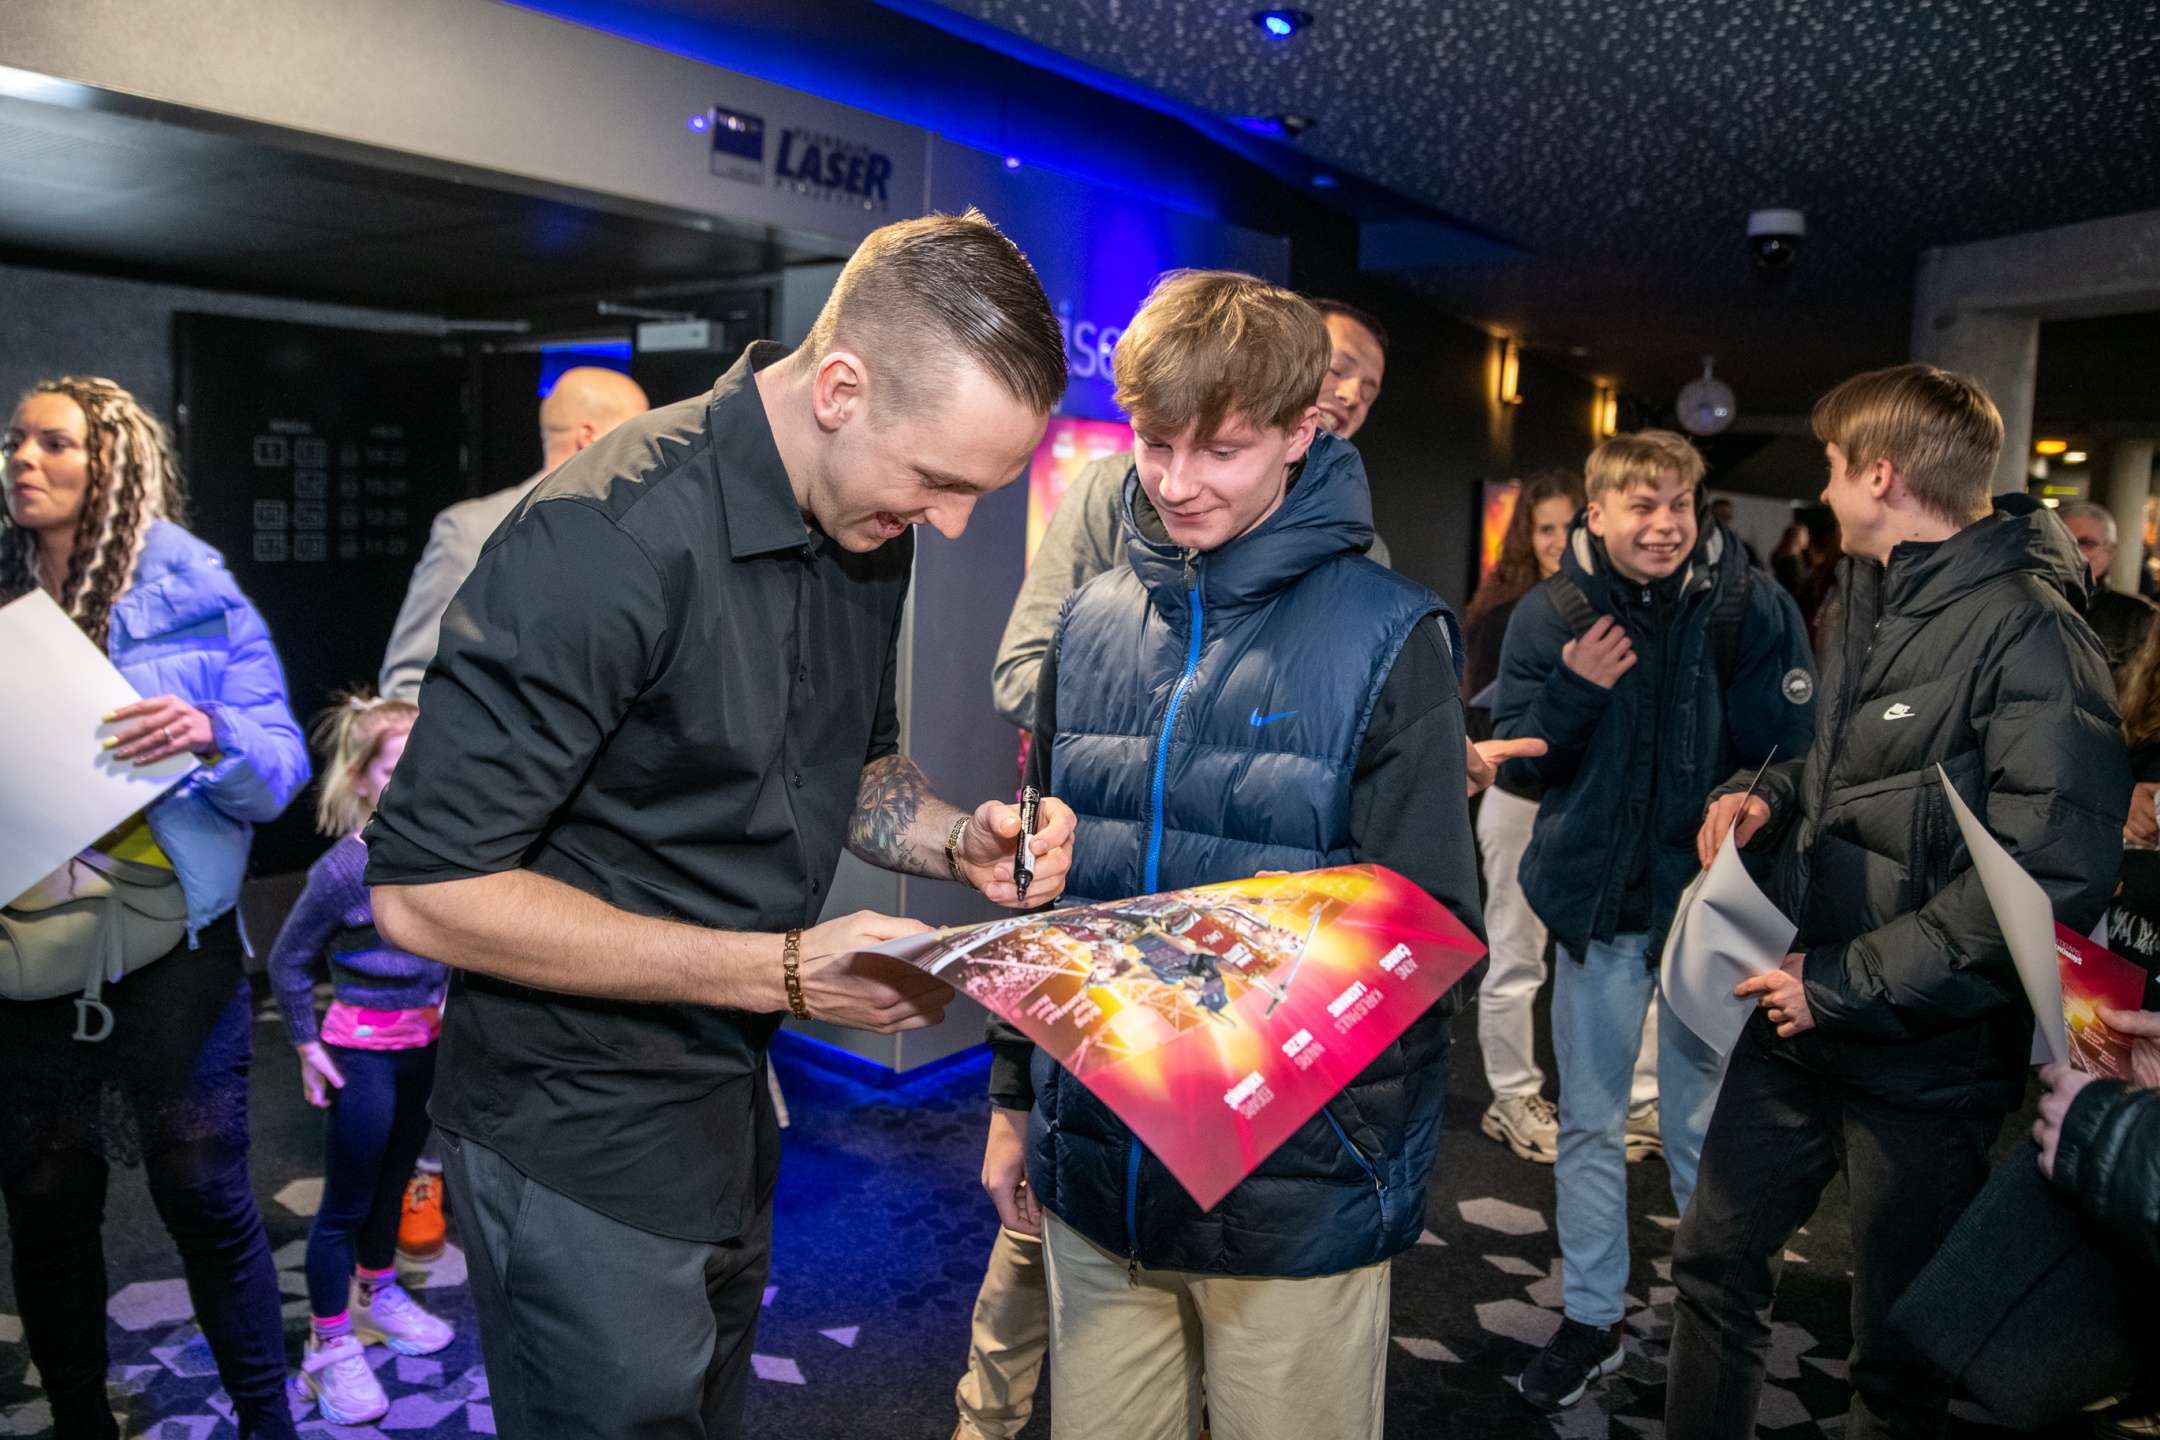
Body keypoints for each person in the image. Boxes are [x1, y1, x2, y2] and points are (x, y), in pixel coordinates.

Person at [363, 210, 1079, 1440]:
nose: (952, 522)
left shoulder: (869, 527)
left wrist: (957, 840)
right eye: (940, 481)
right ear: (840, 389)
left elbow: (853, 769)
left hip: (728, 1110)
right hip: (573, 1128)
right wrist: (785, 972)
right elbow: (425, 893)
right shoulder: (605, 537)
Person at [981, 270, 1481, 1440]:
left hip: (1294, 1191)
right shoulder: (1090, 623)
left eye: (1222, 450)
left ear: (1302, 432)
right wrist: (1013, 1102)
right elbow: (1044, 901)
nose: (1177, 482)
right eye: (1155, 444)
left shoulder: (1390, 633)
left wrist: (1253, 1001)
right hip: (1100, 1163)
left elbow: (1430, 933)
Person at [1667, 365, 2130, 1440]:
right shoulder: (1868, 589)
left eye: (1833, 466)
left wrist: (1839, 984)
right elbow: (1849, 770)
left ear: (1881, 475)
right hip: (1796, 1016)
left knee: (1897, 1364)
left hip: (1924, 1057)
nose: (1825, 489)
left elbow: (2049, 877)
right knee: (1711, 1270)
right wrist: (1769, 795)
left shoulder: (2034, 631)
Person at [0, 376, 310, 1439]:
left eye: (54, 443)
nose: (23, 460)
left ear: (114, 463)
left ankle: (267, 1423)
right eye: (14, 441)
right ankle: (80, 1422)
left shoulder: (194, 590)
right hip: (24, 953)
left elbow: (280, 772)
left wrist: (211, 733)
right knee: (44, 1205)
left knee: (205, 1197)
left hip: (171, 944)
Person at [1492, 429, 1815, 1411]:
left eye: (1679, 503)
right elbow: (1523, 765)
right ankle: (1592, 1320)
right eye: (1642, 505)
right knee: (1590, 1122)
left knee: (1701, 1131)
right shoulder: (1553, 614)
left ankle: (1707, 1322)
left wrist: (1752, 795)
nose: (1665, 523)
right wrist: (1576, 687)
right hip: (1597, 914)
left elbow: (1792, 751)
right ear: (1597, 514)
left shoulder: (1750, 605)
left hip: (1709, 919)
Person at [989, 297, 1392, 734]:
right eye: (1337, 370)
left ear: (1300, 432)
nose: (1351, 395)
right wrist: (1184, 729)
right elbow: (1023, 673)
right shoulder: (1111, 489)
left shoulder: (1362, 551)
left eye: (1368, 391)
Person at [266, 694, 454, 1425]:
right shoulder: (343, 869)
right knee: (345, 1203)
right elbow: (287, 961)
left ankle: (378, 1293)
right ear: (361, 778)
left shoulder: (444, 856)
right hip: (362, 1055)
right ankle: (328, 1344)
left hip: (423, 1049)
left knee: (395, 1184)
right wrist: (307, 1045)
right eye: (395, 767)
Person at [1463, 468, 1626, 1166]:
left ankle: (1625, 1100)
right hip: (1518, 802)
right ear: (1525, 536)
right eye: (1545, 527)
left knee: (1608, 956)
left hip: (1585, 806)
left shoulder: (1615, 604)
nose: (1560, 540)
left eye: (1570, 525)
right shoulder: (1508, 614)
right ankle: (1512, 1097)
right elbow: (1493, 724)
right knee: (1516, 956)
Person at [377, 365, 649, 702]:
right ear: (588, 436)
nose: (647, 451)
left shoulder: (639, 530)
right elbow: (409, 678)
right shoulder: (473, 529)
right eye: (636, 434)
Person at [2059, 498, 2158, 679]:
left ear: (2110, 550)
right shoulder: (2026, 605)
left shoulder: (2140, 618)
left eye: (2086, 543)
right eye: (2063, 541)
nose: (2073, 552)